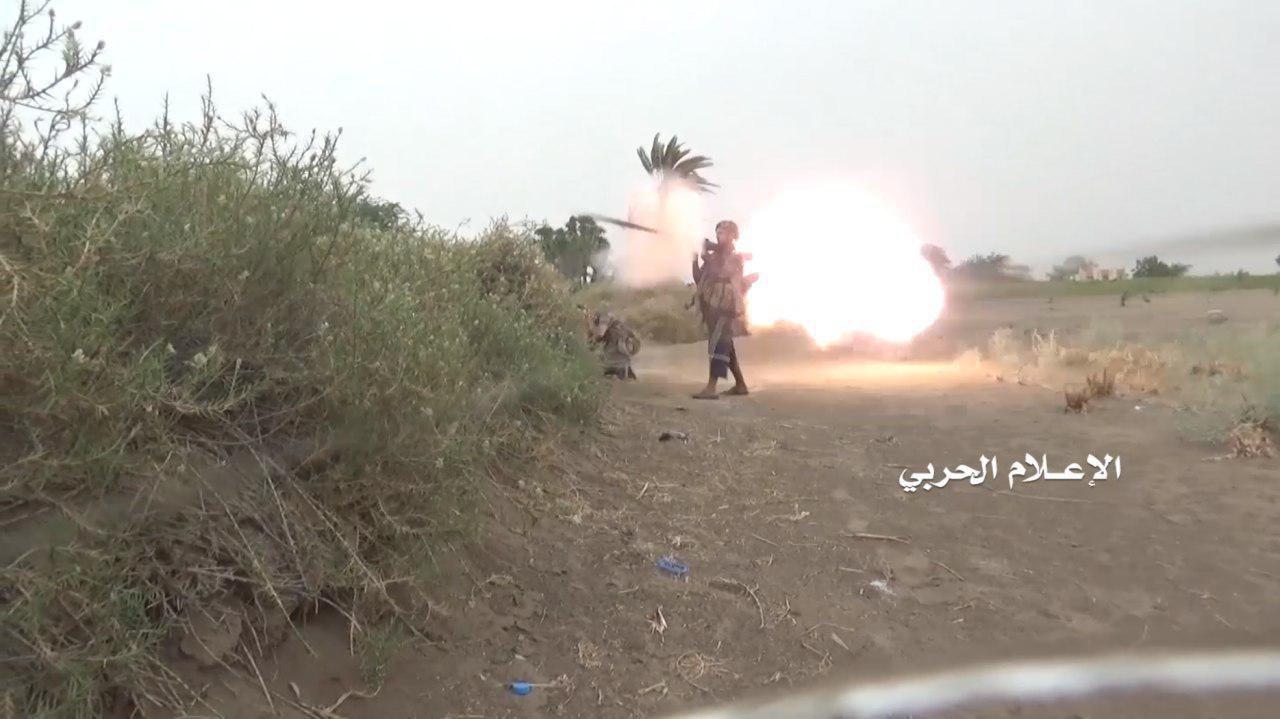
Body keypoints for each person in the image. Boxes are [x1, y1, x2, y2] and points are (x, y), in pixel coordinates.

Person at [690, 220, 756, 399]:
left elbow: (724, 269)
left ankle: (711, 388)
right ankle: (740, 385)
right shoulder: (715, 256)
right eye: (718, 233)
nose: (719, 236)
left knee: (718, 344)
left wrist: (708, 252)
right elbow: (699, 278)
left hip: (725, 306)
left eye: (723, 233)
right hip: (713, 305)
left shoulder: (735, 257)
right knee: (726, 346)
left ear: (733, 236)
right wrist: (695, 259)